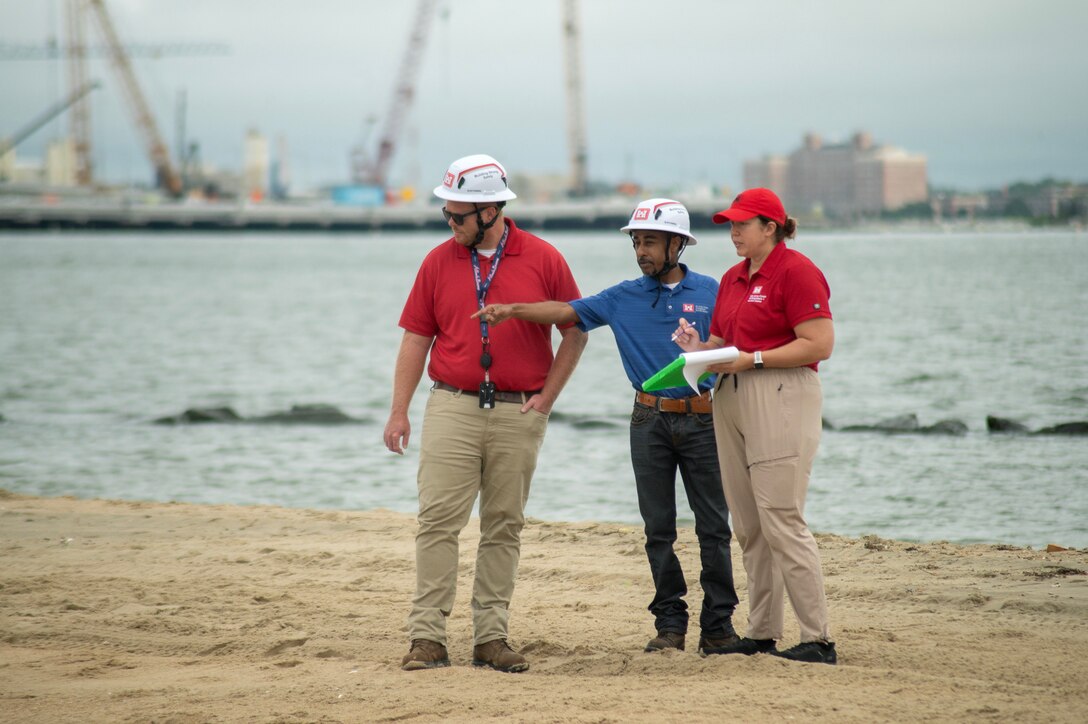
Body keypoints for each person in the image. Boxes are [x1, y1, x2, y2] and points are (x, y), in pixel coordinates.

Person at [474, 198, 740, 655]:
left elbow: (738, 344)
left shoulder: (713, 291)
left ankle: (717, 628)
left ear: (678, 244)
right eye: (637, 242)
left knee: (713, 527)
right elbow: (565, 313)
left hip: (703, 419)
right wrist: (514, 309)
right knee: (658, 528)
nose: (641, 251)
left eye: (651, 242)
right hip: (647, 420)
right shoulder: (622, 296)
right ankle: (670, 625)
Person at [383, 154, 587, 673]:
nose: (450, 224)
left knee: (504, 526)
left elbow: (576, 327)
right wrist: (398, 411)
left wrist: (549, 397)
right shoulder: (436, 261)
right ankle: (427, 638)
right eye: (446, 215)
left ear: (491, 210)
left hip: (520, 409)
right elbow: (415, 337)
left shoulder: (543, 257)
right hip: (451, 403)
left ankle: (490, 639)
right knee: (437, 522)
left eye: (458, 216)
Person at [672, 187, 837, 664]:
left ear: (772, 227)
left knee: (782, 519)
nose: (734, 232)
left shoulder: (797, 270)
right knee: (748, 525)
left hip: (780, 392)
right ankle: (763, 632)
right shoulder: (732, 278)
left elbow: (819, 343)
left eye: (743, 224)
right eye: (730, 224)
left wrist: (755, 359)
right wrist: (698, 346)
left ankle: (819, 639)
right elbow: (726, 343)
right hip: (732, 394)